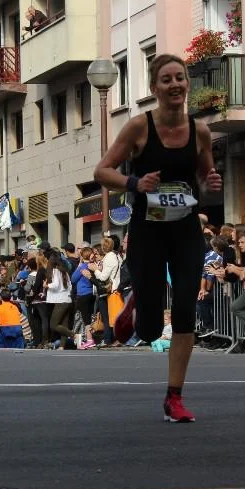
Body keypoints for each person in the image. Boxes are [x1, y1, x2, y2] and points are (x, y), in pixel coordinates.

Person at [94, 53, 222, 422]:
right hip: (148, 231)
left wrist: (210, 184)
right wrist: (135, 182)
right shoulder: (139, 127)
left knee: (184, 309)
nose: (175, 85)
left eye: (180, 78)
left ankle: (174, 397)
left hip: (185, 231)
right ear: (154, 88)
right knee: (150, 329)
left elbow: (205, 181)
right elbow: (102, 171)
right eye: (166, 79)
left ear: (187, 84)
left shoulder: (200, 132)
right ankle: (139, 302)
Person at [45, 251, 74, 349]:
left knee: (53, 325)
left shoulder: (55, 271)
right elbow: (70, 286)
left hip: (60, 301)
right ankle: (62, 346)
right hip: (67, 299)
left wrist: (47, 286)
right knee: (64, 324)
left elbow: (56, 285)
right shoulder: (64, 271)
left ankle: (74, 335)